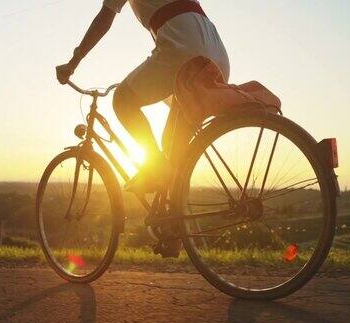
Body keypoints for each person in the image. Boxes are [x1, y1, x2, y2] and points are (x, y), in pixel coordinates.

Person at [56, 0, 230, 193]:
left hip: (184, 49)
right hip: (218, 54)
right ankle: (175, 216)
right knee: (174, 153)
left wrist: (73, 62)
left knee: (123, 100)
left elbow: (104, 19)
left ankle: (154, 170)